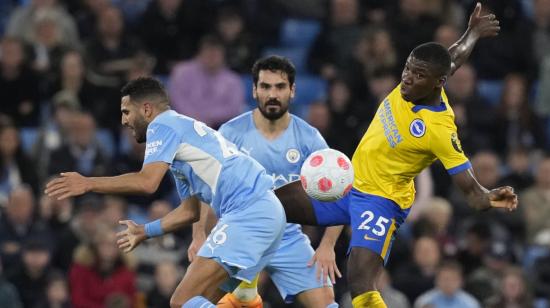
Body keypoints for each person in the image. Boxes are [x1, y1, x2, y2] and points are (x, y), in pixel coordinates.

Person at [273, 3, 518, 307]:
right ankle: (243, 291)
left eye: (418, 75)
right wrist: (473, 32)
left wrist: (490, 197)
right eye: (407, 69)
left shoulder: (439, 129)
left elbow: (471, 193)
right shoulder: (421, 81)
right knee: (268, 206)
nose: (407, 79)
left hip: (381, 201)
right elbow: (451, 57)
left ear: (438, 83)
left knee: (360, 282)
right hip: (347, 182)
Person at [45, 76, 286, 307]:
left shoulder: (163, 124)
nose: (123, 121)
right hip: (268, 213)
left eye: (127, 112)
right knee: (211, 300)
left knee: (182, 301)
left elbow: (146, 183)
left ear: (147, 110)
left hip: (249, 213)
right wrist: (145, 231)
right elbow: (190, 211)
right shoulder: (183, 142)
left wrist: (88, 183)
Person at [190, 55, 343, 307]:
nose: (272, 94)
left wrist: (327, 246)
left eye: (280, 87)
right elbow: (206, 189)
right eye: (265, 86)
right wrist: (199, 235)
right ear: (254, 90)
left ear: (292, 91)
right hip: (240, 236)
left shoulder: (308, 138)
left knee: (326, 303)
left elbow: (338, 193)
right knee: (200, 299)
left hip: (287, 237)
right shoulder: (230, 134)